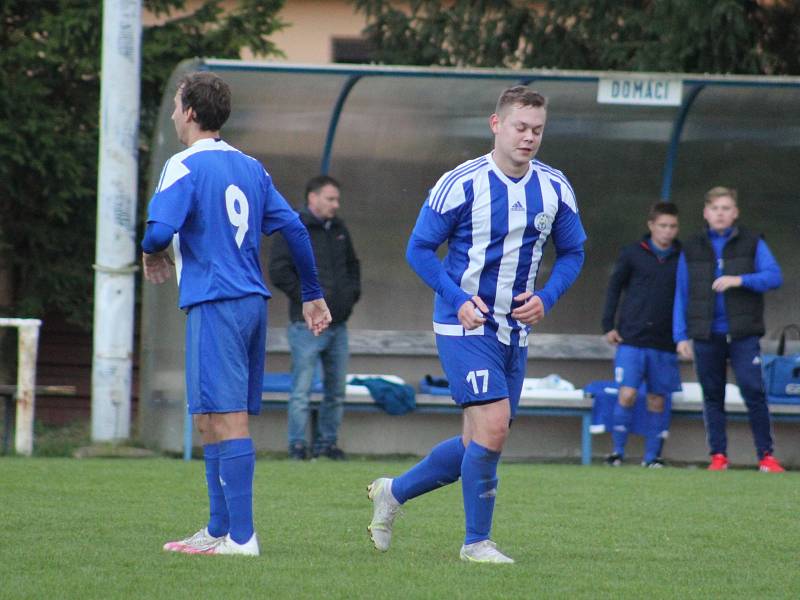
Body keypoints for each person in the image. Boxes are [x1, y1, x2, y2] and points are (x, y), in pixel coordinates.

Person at [367, 85, 586, 564]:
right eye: (520, 128)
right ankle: (476, 543)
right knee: (493, 429)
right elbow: (418, 249)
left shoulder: (554, 187)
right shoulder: (461, 182)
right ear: (496, 125)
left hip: (515, 331)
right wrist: (457, 298)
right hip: (463, 325)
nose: (528, 138)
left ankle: (394, 492)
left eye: (537, 130)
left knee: (477, 440)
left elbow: (573, 252)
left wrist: (546, 297)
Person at [141, 71, 332, 556]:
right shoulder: (251, 168)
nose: (172, 113)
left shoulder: (183, 165)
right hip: (249, 304)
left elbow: (157, 230)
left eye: (175, 105)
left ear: (187, 111)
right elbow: (295, 228)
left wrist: (151, 252)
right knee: (209, 416)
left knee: (227, 419)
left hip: (215, 301)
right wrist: (311, 292)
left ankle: (242, 537)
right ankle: (218, 528)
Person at [673, 186, 784, 472]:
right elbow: (681, 292)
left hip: (743, 333)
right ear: (706, 213)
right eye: (715, 208)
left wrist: (740, 280)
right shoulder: (692, 245)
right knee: (712, 394)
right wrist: (680, 335)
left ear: (735, 213)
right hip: (706, 333)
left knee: (753, 391)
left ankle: (766, 456)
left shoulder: (752, 241)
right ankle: (718, 457)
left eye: (726, 208)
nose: (720, 214)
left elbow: (774, 276)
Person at [269, 175, 361, 460]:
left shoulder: (339, 229)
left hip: (339, 324)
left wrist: (347, 299)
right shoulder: (293, 228)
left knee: (336, 389)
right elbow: (279, 271)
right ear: (313, 198)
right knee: (302, 388)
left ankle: (327, 444)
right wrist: (308, 300)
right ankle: (297, 445)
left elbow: (352, 268)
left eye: (337, 200)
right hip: (305, 324)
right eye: (330, 199)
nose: (336, 204)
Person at [601, 202, 682, 468]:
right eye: (662, 225)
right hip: (632, 337)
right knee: (627, 394)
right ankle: (617, 453)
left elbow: (689, 297)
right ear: (651, 225)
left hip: (664, 340)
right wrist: (608, 325)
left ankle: (653, 457)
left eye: (672, 226)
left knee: (658, 398)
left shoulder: (682, 257)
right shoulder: (632, 253)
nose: (667, 231)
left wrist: (685, 334)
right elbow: (614, 289)